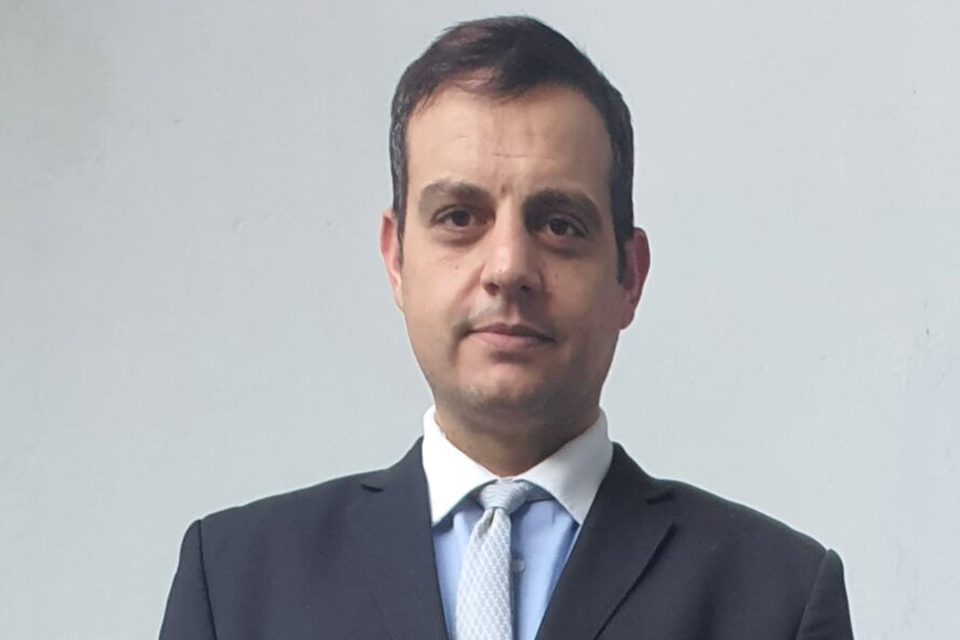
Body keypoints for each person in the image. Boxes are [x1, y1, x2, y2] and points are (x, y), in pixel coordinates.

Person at [159, 16, 853, 640]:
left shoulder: (778, 599)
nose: (509, 267)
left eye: (560, 225)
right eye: (460, 217)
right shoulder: (236, 583)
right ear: (397, 260)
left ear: (630, 276)